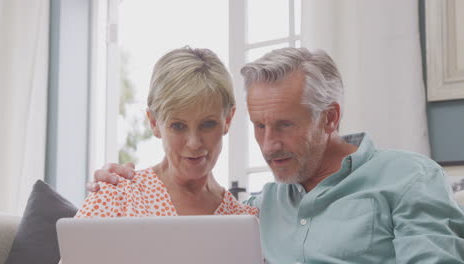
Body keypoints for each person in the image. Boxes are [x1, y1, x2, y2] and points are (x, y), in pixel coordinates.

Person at [89, 47, 464, 263]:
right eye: (259, 126)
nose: (268, 146)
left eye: (285, 125)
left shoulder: (408, 179)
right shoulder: (259, 209)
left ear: (329, 117)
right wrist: (113, 186)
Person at [76, 47, 258, 218]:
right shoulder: (117, 196)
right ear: (154, 123)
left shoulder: (241, 217)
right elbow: (73, 252)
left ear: (227, 119)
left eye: (208, 124)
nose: (194, 143)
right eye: (178, 126)